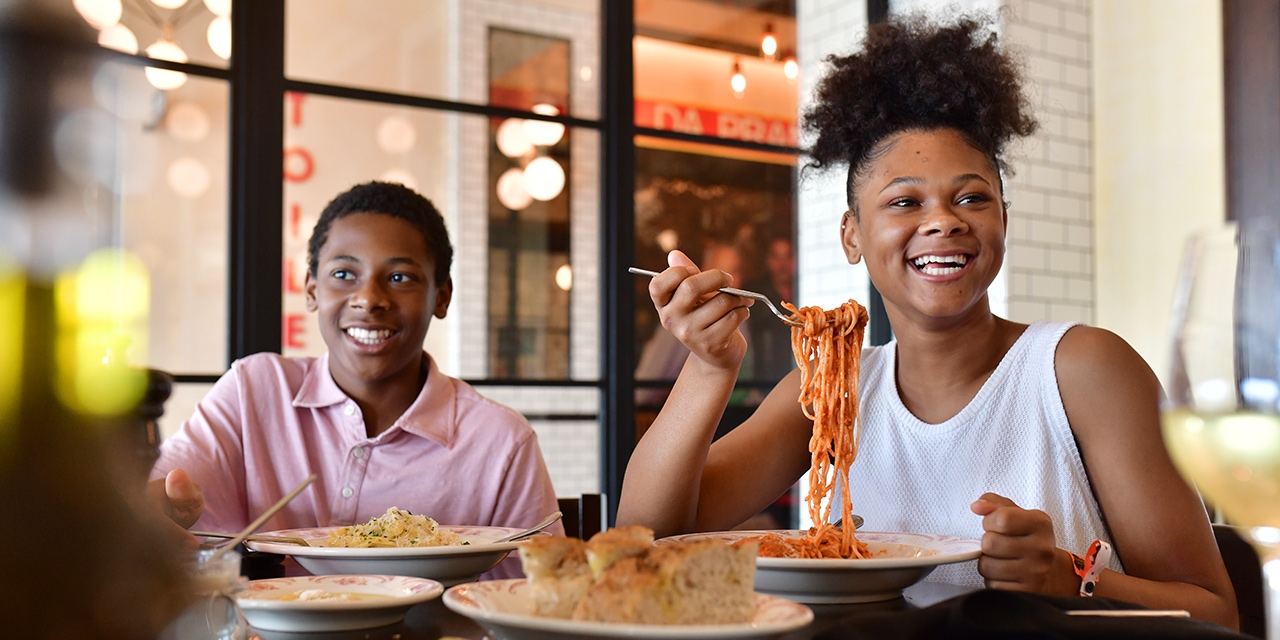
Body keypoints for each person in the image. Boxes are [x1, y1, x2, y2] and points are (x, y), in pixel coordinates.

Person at [616, 15, 1237, 628]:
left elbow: (1216, 614)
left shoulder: (1083, 369)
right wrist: (709, 366)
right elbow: (642, 540)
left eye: (972, 197)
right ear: (851, 235)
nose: (944, 221)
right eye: (905, 202)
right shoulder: (834, 388)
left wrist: (1071, 578)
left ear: (1002, 220)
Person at [148, 181, 563, 568]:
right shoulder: (253, 391)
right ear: (311, 289)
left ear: (442, 295)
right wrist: (153, 509)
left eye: (400, 277)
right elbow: (169, 501)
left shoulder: (501, 442)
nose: (368, 299)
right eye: (344, 275)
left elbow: (529, 600)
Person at [745, 234, 797, 382]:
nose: (782, 264)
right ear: (768, 260)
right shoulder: (755, 296)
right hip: (763, 383)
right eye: (776, 257)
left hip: (800, 379)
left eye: (788, 256)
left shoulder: (806, 293)